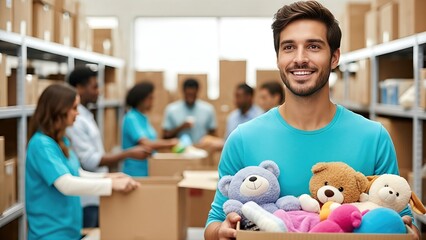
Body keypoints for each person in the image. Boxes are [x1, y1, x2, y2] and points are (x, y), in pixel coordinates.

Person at [204, 1, 419, 240]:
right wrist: (221, 231)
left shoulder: (373, 137)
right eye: (288, 47)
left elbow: (403, 219)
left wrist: (407, 230)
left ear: (335, 57)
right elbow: (214, 223)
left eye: (313, 46)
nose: (300, 58)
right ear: (278, 58)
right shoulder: (243, 138)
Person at [26, 84, 140, 240]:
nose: (77, 113)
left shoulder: (61, 141)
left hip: (69, 230)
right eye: (73, 108)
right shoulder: (41, 145)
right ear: (58, 109)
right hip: (50, 234)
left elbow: (76, 173)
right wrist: (110, 185)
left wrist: (107, 177)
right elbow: (66, 184)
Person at [66, 67, 152, 228]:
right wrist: (127, 155)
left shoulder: (85, 115)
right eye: (94, 87)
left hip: (97, 192)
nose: (99, 92)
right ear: (79, 88)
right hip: (87, 198)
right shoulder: (75, 122)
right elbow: (87, 163)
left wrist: (110, 178)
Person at [122, 81, 179, 177]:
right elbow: (146, 143)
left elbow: (152, 141)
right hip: (135, 172)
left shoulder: (143, 118)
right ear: (141, 99)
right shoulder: (131, 118)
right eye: (150, 98)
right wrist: (170, 143)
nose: (152, 102)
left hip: (148, 169)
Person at [163, 78, 217, 144]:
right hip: (178, 152)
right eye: (188, 94)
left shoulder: (208, 109)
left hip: (201, 151)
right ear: (183, 91)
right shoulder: (171, 110)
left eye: (192, 95)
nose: (190, 98)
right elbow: (165, 136)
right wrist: (181, 127)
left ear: (197, 91)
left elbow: (213, 134)